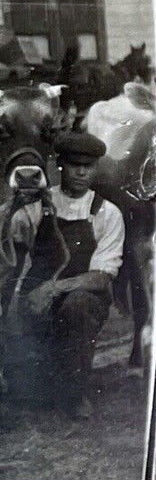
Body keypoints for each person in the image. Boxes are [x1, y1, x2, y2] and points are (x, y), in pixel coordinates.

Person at [11, 131, 125, 417]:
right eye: (75, 165)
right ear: (61, 165)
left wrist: (52, 289)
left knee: (78, 306)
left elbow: (102, 276)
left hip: (82, 297)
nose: (82, 172)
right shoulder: (40, 204)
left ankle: (76, 395)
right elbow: (13, 240)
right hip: (36, 296)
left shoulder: (106, 212)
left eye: (89, 166)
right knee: (25, 394)